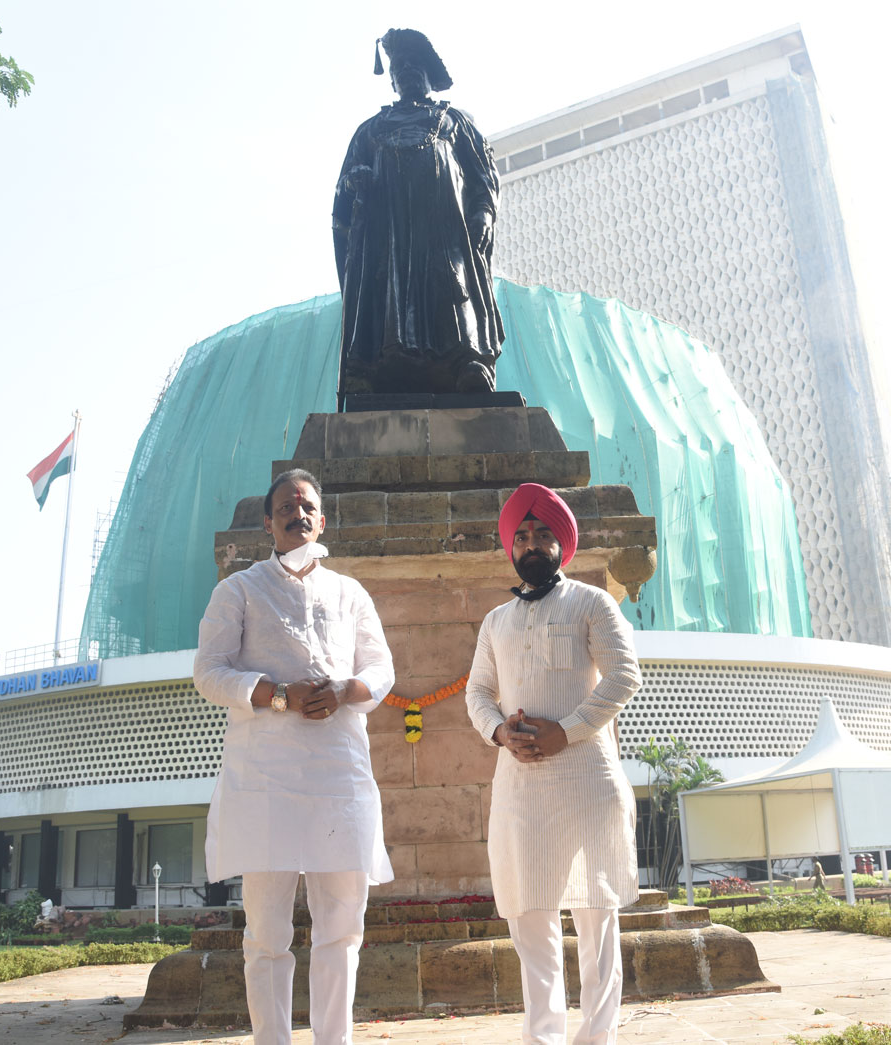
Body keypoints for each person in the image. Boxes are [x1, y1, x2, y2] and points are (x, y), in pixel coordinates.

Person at [194, 468, 394, 1045]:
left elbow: (381, 670)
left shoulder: (350, 591)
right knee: (265, 934)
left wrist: (343, 692)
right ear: (268, 522)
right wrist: (280, 696)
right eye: (286, 506)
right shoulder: (239, 589)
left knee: (342, 930)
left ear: (322, 519)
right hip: (266, 780)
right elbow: (209, 671)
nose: (297, 514)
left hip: (339, 774)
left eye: (307, 505)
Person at [465, 483, 641, 1045]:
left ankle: (597, 1039)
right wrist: (499, 731)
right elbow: (477, 693)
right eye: (521, 536)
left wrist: (566, 731)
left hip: (587, 778)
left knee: (596, 920)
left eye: (543, 534)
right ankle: (541, 1039)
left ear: (561, 544)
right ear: (510, 548)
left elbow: (623, 676)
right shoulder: (496, 621)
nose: (532, 544)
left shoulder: (593, 602)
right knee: (531, 923)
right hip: (521, 786)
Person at [332, 28, 504, 399]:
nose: (407, 72)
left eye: (414, 66)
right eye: (400, 68)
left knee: (452, 283)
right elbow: (343, 190)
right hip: (387, 233)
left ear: (428, 76)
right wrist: (354, 181)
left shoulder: (454, 121)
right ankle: (366, 367)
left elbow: (483, 176)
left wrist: (485, 213)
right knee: (384, 289)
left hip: (444, 229)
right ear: (392, 81)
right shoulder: (371, 130)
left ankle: (468, 361)